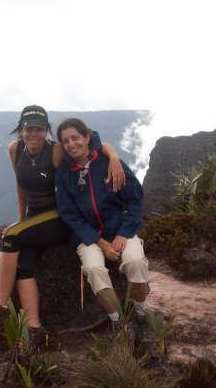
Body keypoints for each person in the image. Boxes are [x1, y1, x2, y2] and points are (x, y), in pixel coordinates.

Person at [0, 106, 125, 341]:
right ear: (20, 129)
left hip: (58, 216)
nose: (34, 134)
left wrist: (113, 156)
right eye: (29, 128)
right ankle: (35, 330)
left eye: (40, 129)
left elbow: (91, 140)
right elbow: (21, 186)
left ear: (46, 131)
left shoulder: (55, 151)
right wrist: (22, 222)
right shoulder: (14, 149)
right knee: (24, 262)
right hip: (35, 219)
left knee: (11, 238)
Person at [55, 117, 150, 336]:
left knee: (135, 261)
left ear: (87, 137)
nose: (71, 144)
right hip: (87, 236)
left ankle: (140, 312)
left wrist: (124, 233)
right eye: (66, 141)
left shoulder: (109, 163)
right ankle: (119, 321)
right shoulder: (64, 173)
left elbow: (135, 199)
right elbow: (68, 213)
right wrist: (100, 242)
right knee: (94, 269)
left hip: (119, 229)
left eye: (75, 138)